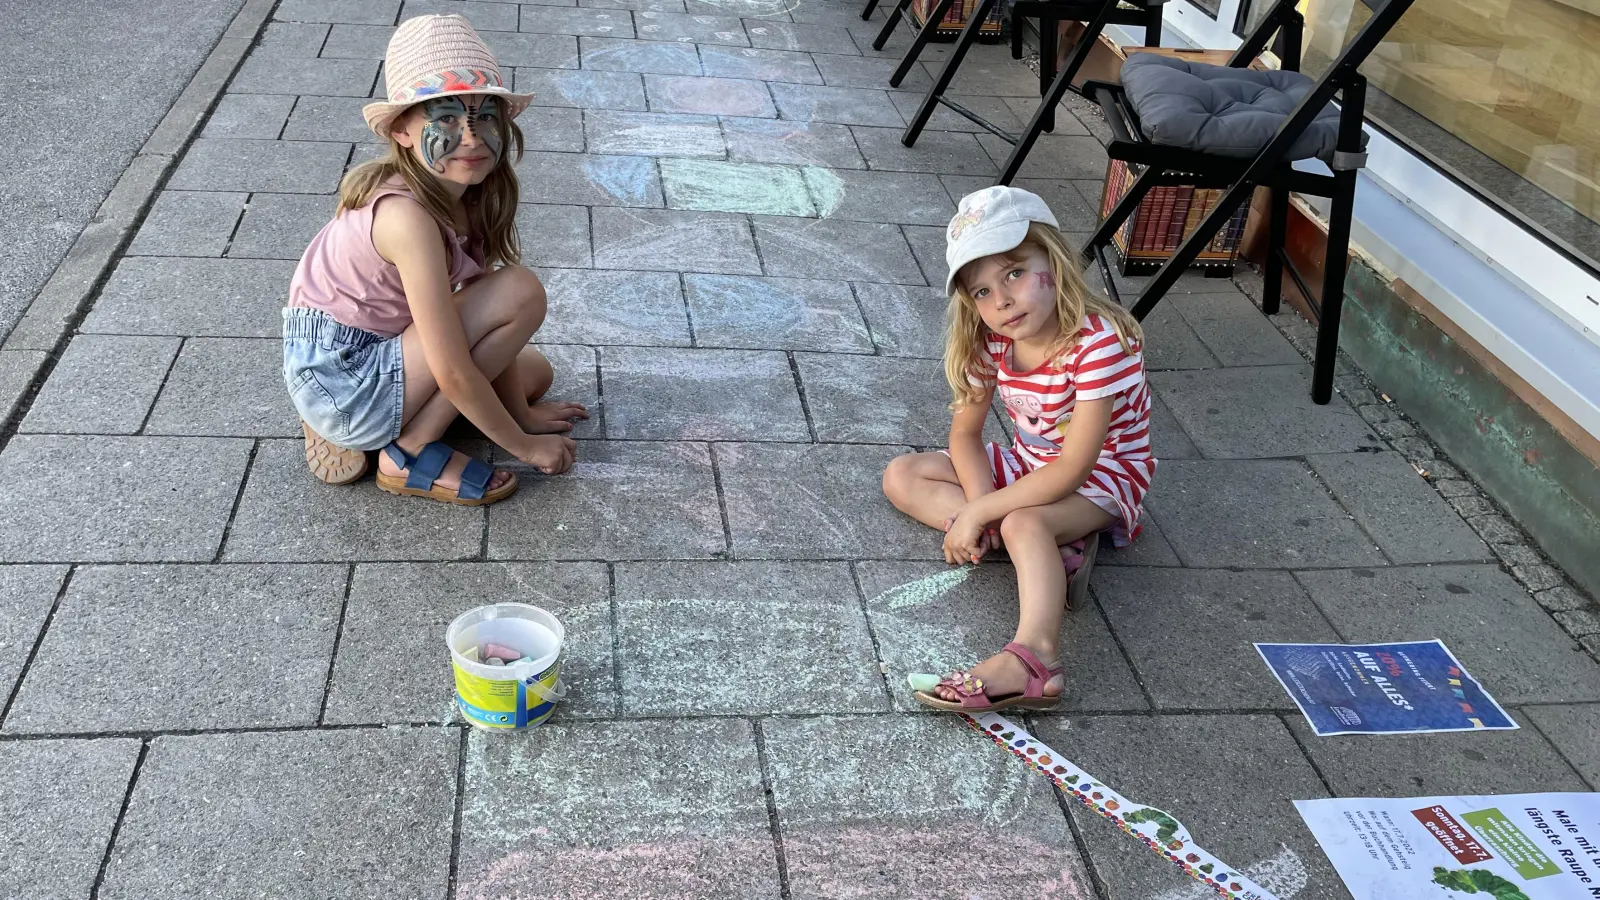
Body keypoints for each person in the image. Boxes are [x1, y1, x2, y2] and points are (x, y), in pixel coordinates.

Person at [283, 14, 586, 506]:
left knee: (533, 373)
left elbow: (472, 322)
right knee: (519, 291)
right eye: (445, 117)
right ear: (402, 130)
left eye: (485, 115)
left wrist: (521, 415)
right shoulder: (406, 218)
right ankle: (407, 450)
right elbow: (450, 362)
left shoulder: (468, 196)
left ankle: (399, 424)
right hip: (346, 374)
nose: (471, 135)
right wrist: (524, 445)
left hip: (384, 354)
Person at [882, 186, 1156, 713]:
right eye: (981, 291)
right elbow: (965, 435)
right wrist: (982, 505)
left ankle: (1035, 660)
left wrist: (983, 510)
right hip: (1034, 463)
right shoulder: (993, 339)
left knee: (1023, 522)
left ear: (1053, 259)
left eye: (1013, 273)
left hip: (1103, 477)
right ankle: (1050, 554)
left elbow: (1075, 468)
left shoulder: (1100, 343)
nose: (1001, 300)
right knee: (903, 474)